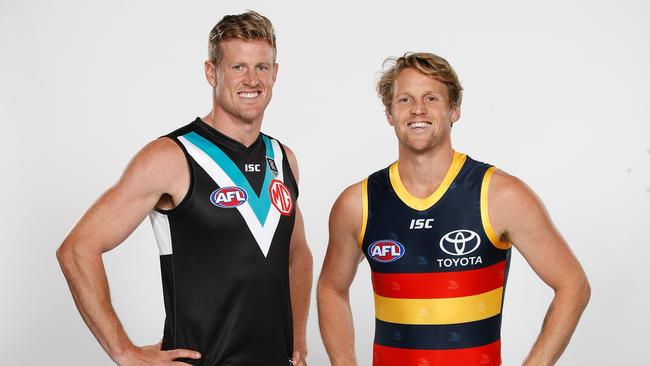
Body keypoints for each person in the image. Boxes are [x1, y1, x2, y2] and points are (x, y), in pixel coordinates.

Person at [56, 10, 312, 366]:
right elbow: (77, 250)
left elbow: (297, 255)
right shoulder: (171, 156)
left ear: (275, 73)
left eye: (262, 67)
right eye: (238, 67)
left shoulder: (283, 158)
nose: (252, 79)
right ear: (212, 72)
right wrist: (124, 352)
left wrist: (298, 342)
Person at [317, 52, 590, 366]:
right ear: (390, 113)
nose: (418, 109)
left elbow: (573, 285)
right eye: (405, 99)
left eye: (431, 98)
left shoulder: (499, 195)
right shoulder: (358, 203)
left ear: (454, 109)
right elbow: (331, 288)